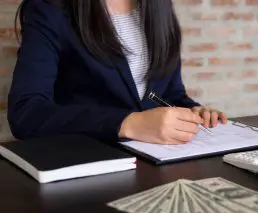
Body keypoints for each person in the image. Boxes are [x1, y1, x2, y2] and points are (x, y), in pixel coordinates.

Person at [8, 0, 227, 145]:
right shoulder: (49, 9)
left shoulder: (160, 8)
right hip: (85, 169)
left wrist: (192, 111)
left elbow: (168, 94)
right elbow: (26, 113)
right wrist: (127, 123)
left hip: (156, 165)